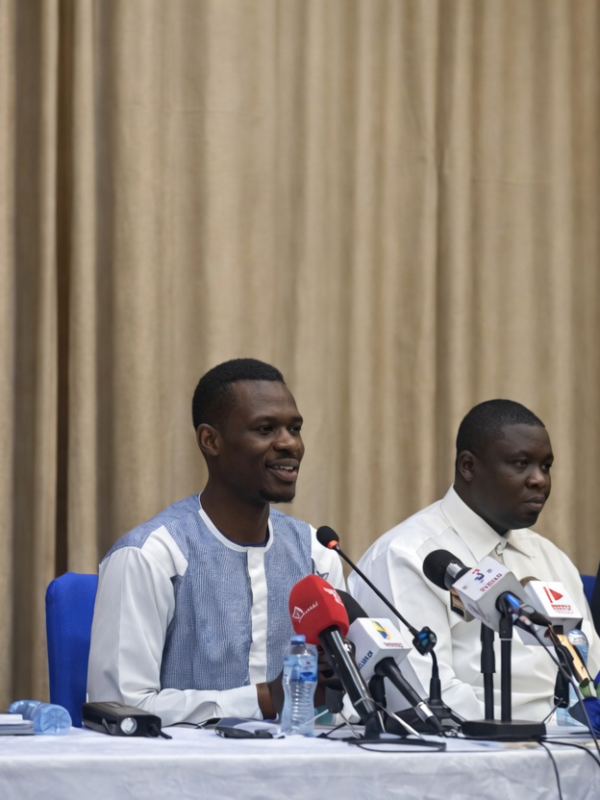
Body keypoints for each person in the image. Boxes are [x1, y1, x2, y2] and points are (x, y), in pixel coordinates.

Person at [87, 358, 343, 726]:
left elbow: (339, 706)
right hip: (180, 777)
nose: (289, 444)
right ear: (211, 441)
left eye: (295, 428)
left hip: (301, 773)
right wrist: (265, 699)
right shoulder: (151, 555)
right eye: (266, 428)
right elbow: (119, 707)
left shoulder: (318, 554)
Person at [349, 399, 600, 723]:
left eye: (546, 466)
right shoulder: (406, 556)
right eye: (521, 464)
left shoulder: (553, 559)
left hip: (577, 751)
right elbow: (423, 701)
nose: (539, 479)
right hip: (472, 758)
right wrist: (548, 729)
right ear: (468, 466)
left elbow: (591, 673)